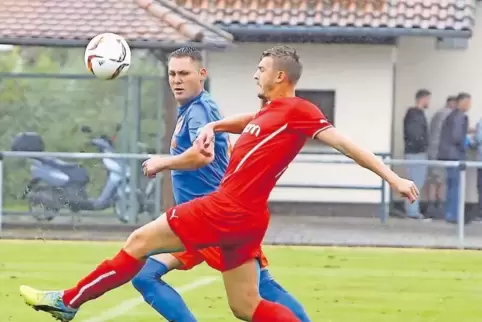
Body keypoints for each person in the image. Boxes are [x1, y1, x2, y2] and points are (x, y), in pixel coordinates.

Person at [19, 45, 418, 322]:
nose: (255, 74)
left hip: (223, 210)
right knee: (245, 306)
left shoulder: (300, 110)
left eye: (260, 69)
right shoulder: (274, 111)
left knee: (138, 244)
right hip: (244, 218)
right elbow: (247, 120)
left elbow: (346, 144)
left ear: (280, 76)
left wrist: (393, 177)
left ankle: (69, 301)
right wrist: (214, 124)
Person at [130, 47, 310, 322]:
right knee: (145, 276)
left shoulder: (200, 110)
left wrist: (163, 162)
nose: (176, 80)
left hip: (215, 220)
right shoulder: (192, 109)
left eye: (184, 74)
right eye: (172, 74)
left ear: (202, 75)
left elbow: (203, 156)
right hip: (194, 218)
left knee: (259, 289)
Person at [438, 92, 472, 224]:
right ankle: (454, 215)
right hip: (455, 156)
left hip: (448, 155)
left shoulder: (451, 115)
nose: (469, 105)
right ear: (462, 102)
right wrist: (466, 145)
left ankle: (450, 213)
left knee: (452, 185)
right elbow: (457, 136)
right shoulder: (460, 117)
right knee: (456, 186)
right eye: (469, 102)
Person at [426, 96, 457, 217]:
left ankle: (431, 206)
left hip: (433, 151)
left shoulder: (437, 114)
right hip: (440, 152)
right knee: (439, 181)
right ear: (453, 104)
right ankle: (436, 207)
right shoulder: (447, 115)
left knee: (434, 180)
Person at [403, 89, 431, 220]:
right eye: (428, 99)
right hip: (416, 153)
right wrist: (423, 145)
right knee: (415, 182)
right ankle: (412, 212)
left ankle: (412, 210)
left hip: (415, 152)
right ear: (423, 98)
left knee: (415, 182)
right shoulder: (415, 114)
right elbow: (415, 134)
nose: (429, 102)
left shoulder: (415, 114)